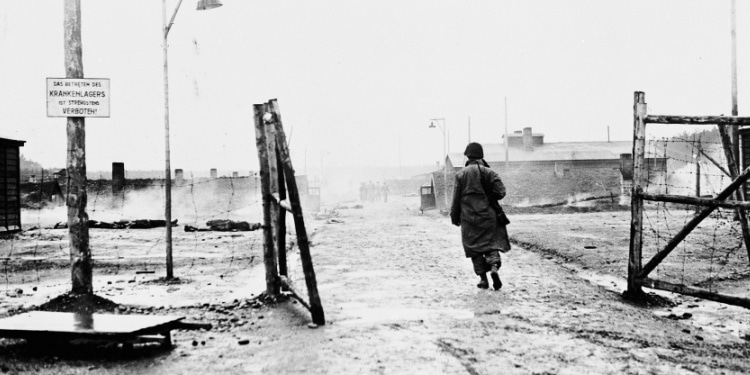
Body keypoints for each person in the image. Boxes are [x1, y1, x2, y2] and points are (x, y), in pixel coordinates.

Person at [450, 142, 510, 290]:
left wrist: (454, 217)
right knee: (491, 244)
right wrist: (489, 195)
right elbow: (501, 192)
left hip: (469, 219)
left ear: (468, 156)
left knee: (474, 248)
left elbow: (456, 199)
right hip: (488, 216)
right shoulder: (490, 173)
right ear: (481, 155)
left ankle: (483, 279)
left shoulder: (460, 175)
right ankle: (494, 267)